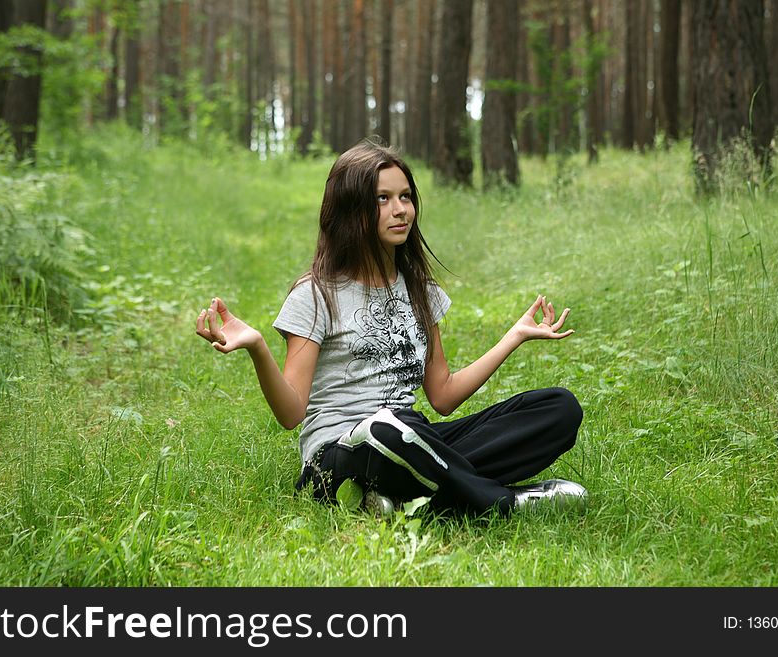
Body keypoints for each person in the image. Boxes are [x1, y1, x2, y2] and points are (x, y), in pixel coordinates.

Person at [195, 139, 586, 517]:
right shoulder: (316, 294)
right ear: (351, 209)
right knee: (388, 431)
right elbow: (291, 413)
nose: (401, 210)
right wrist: (258, 347)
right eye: (382, 199)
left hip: (411, 439)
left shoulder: (419, 288)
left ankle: (397, 497)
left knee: (557, 408)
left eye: (405, 197)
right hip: (339, 457)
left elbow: (443, 396)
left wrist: (513, 337)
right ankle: (504, 502)